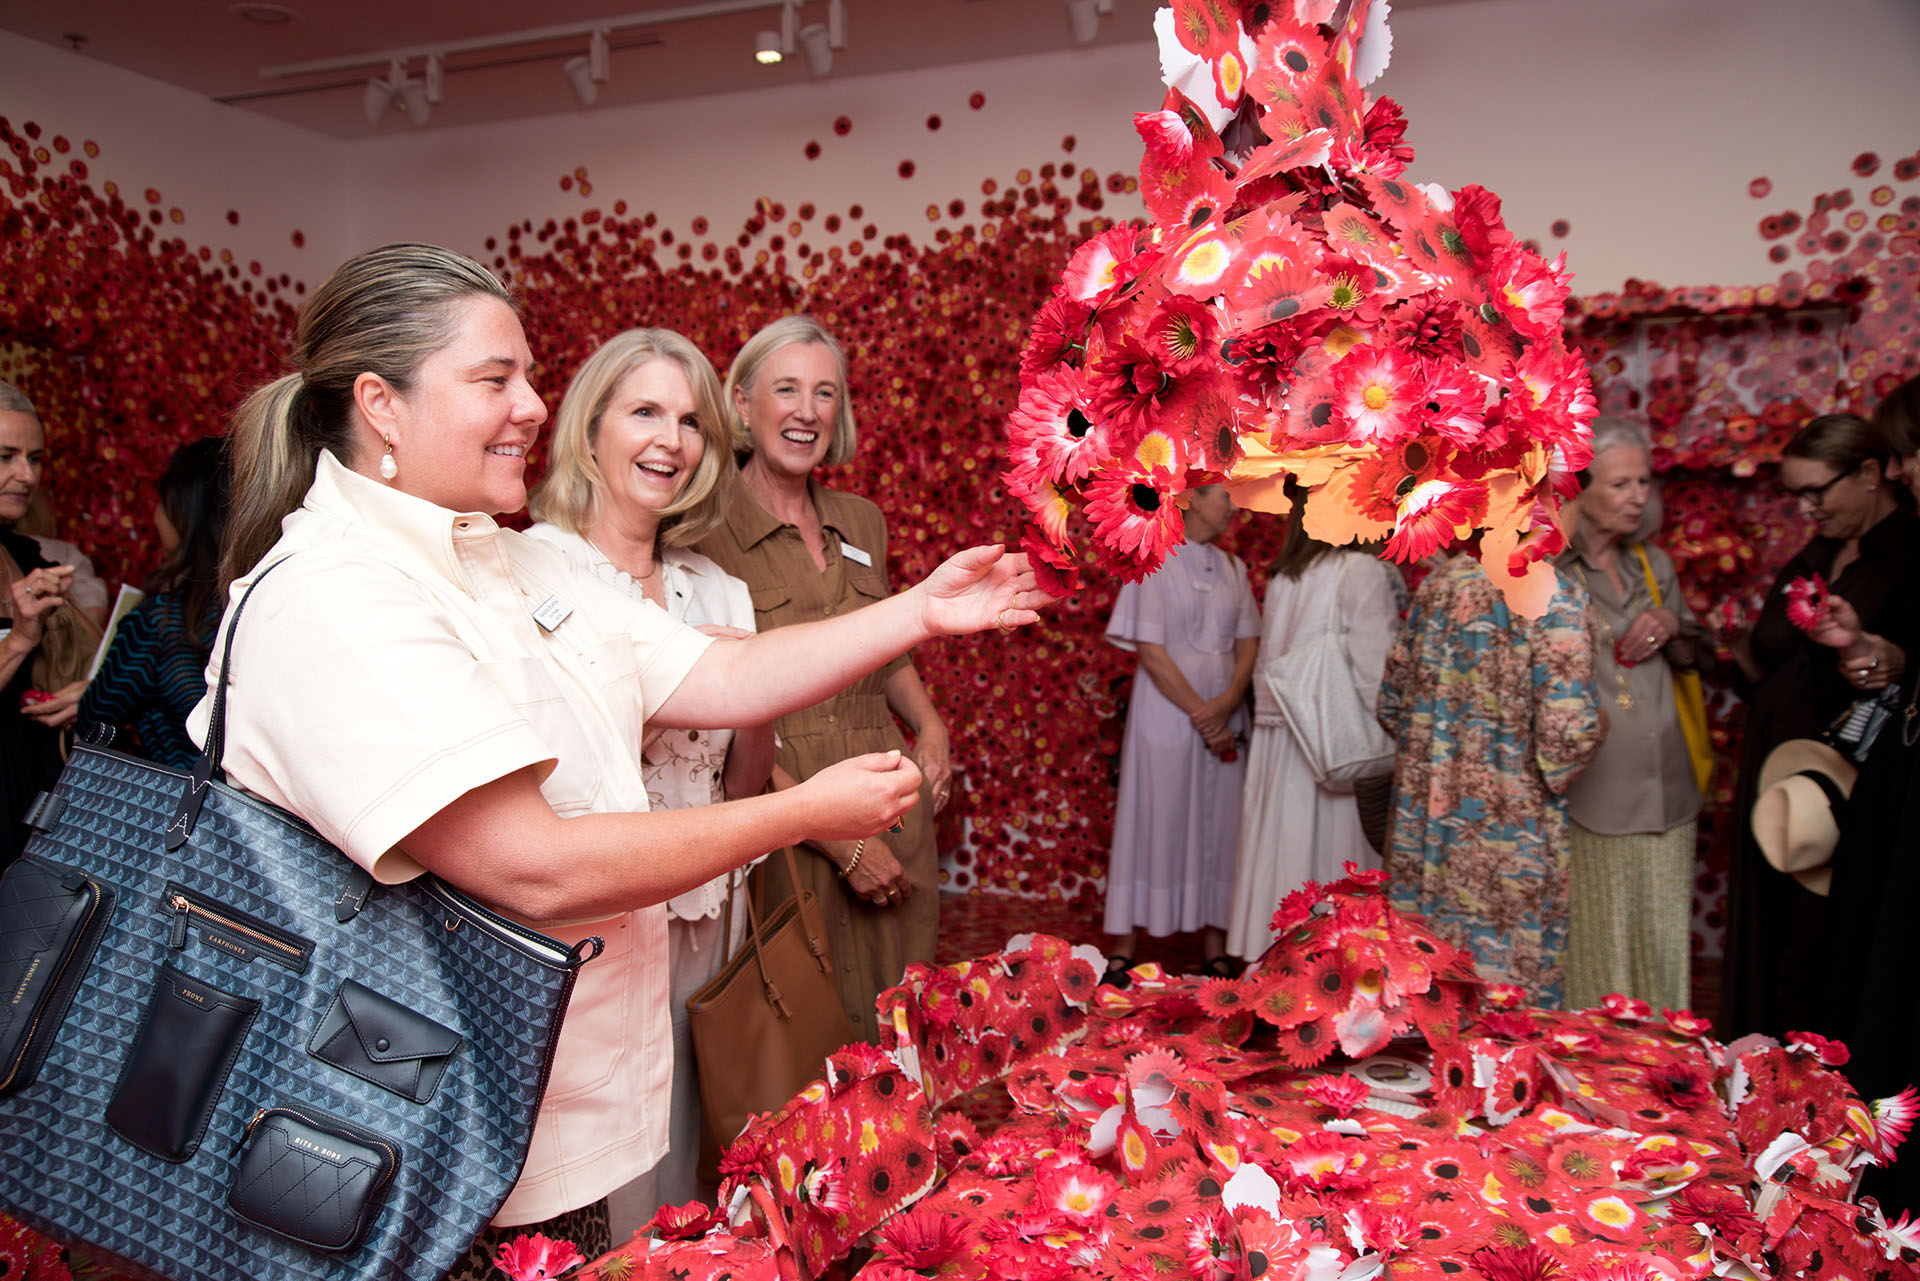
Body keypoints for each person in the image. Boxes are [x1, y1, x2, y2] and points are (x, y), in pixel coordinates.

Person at [188, 245, 1047, 1270]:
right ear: (381, 403)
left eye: (531, 378)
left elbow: (714, 677)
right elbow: (535, 866)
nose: (531, 407)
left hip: (517, 1111)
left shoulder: (490, 558)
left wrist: (919, 611)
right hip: (391, 1126)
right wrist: (802, 813)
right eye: (495, 380)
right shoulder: (336, 593)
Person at [523, 327, 773, 1218]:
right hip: (591, 907)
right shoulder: (531, 571)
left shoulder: (720, 591)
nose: (670, 439)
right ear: (590, 429)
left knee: (688, 1127)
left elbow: (747, 778)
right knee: (594, 1141)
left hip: (710, 896)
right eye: (644, 412)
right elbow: (548, 769)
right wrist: (671, 683)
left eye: (691, 420)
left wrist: (753, 688)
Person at [695, 316, 951, 1043]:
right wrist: (837, 839)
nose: (806, 411)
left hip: (889, 790)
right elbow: (710, 714)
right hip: (788, 810)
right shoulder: (703, 533)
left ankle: (898, 1158)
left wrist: (931, 726)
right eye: (787, 389)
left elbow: (885, 646)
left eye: (825, 393)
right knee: (807, 1030)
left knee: (902, 1015)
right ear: (743, 405)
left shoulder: (861, 521)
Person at [1715, 413, 1916, 1041]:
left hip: (1844, 787)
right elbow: (1778, 665)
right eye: (1796, 494)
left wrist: (1872, 654)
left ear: (1869, 474)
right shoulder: (1820, 552)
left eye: (1817, 492)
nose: (1806, 508)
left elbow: (1895, 668)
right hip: (1779, 776)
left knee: (1820, 940)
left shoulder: (1910, 556)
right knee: (1771, 935)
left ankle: (1814, 1096)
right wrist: (1730, 647)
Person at [1378, 552, 1603, 1007]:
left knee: (1423, 989)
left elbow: (1390, 705)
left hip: (1423, 827)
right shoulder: (1553, 595)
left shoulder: (1440, 584)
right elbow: (1566, 740)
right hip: (1509, 838)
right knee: (1505, 1003)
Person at [1554, 418, 1708, 1012]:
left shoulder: (1654, 565)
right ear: (1578, 489)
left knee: (1664, 944)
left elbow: (1695, 650)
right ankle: (1600, 1073)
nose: (1639, 496)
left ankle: (1667, 1067)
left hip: (1669, 786)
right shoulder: (1547, 572)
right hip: (1593, 791)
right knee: (1597, 948)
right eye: (1621, 484)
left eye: (1644, 482)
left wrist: (1672, 622)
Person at [1223, 490, 1399, 962]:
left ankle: (1273, 958)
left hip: (1281, 741)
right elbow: (1375, 677)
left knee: (1279, 854)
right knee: (1331, 857)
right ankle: (1333, 968)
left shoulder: (1286, 576)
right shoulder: (1361, 571)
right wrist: (1401, 727)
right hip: (1334, 740)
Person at [1101, 484, 1260, 981]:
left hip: (1223, 716)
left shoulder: (1234, 569)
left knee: (1220, 827)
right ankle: (1124, 947)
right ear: (1192, 499)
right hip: (1166, 719)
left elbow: (1249, 641)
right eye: (1224, 497)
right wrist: (1203, 714)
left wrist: (1230, 701)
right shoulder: (1154, 558)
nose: (1232, 506)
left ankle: (1215, 945)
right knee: (1156, 818)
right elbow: (1150, 651)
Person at [73, 436, 233, 767]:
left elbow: (94, 722)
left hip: (183, 811)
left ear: (183, 513)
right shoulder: (268, 599)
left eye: (161, 503)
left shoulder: (159, 622)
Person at [0, 380, 102, 865]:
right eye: (6, 457)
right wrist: (20, 638)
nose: (25, 475)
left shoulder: (24, 553)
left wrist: (80, 688)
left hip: (31, 795)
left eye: (34, 458)